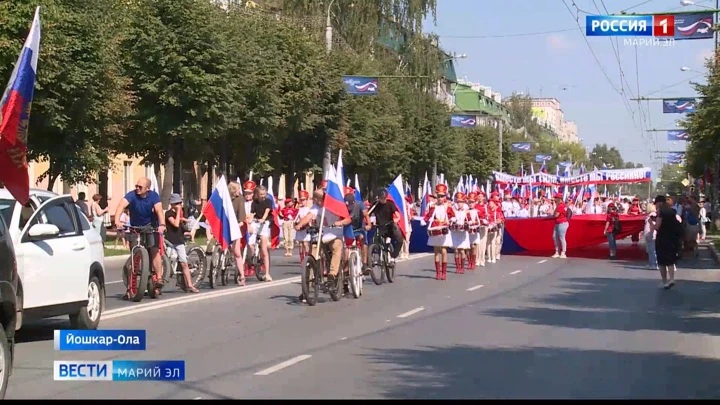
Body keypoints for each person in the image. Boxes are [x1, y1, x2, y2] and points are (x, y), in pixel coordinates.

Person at [295, 189, 351, 300]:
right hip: (322, 234)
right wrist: (300, 224)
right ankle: (307, 288)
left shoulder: (334, 205)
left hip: (335, 234)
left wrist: (340, 222)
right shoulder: (316, 207)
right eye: (317, 200)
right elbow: (308, 217)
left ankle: (332, 274)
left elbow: (348, 219)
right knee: (312, 254)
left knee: (337, 248)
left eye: (320, 199)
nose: (318, 202)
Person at [114, 177, 166, 297]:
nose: (137, 188)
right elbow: (121, 206)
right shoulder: (132, 195)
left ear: (147, 189)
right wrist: (117, 221)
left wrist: (162, 224)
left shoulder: (153, 196)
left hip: (151, 227)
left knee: (154, 251)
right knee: (134, 256)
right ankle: (130, 288)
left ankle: (158, 277)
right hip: (135, 228)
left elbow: (159, 210)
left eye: (140, 187)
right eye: (136, 186)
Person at [165, 194, 200, 293]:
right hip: (170, 242)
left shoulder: (179, 214)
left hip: (179, 241)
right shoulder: (168, 214)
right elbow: (175, 224)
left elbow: (180, 227)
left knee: (184, 262)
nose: (179, 205)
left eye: (180, 203)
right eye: (177, 203)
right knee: (167, 261)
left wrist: (187, 231)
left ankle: (189, 284)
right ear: (172, 204)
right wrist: (178, 213)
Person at [423, 184, 454, 280]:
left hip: (444, 228)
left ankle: (444, 272)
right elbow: (429, 215)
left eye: (442, 196)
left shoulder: (447, 206)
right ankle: (438, 272)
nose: (440, 198)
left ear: (445, 196)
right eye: (438, 196)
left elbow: (452, 214)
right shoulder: (433, 206)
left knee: (444, 250)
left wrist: (452, 219)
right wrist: (424, 220)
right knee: (436, 251)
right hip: (435, 228)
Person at [653, 195, 682, 289]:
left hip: (662, 238)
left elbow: (657, 226)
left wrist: (651, 223)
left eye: (656, 203)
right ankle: (672, 279)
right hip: (672, 238)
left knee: (662, 261)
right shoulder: (672, 211)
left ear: (660, 203)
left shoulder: (660, 213)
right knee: (670, 260)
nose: (656, 205)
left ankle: (664, 281)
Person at [368, 188, 403, 266]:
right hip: (379, 226)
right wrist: (371, 221)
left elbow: (397, 214)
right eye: (381, 198)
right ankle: (372, 258)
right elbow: (369, 214)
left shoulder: (390, 204)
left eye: (384, 198)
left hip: (389, 225)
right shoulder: (375, 205)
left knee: (399, 240)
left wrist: (396, 219)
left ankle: (393, 257)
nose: (382, 200)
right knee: (373, 240)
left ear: (386, 197)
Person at [344, 188, 372, 271]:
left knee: (363, 238)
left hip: (360, 227)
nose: (349, 208)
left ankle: (364, 264)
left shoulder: (360, 204)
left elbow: (366, 215)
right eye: (347, 206)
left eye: (350, 206)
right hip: (348, 229)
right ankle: (345, 270)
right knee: (345, 247)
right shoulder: (342, 207)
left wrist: (369, 225)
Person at [250, 185, 274, 282]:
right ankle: (251, 255)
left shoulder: (268, 201)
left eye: (264, 194)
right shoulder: (254, 203)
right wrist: (250, 220)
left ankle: (267, 273)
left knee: (264, 249)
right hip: (256, 222)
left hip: (264, 223)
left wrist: (263, 219)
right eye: (261, 194)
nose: (263, 196)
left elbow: (267, 211)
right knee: (250, 242)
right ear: (257, 195)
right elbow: (252, 213)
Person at [228, 181, 247, 286]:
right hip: (226, 224)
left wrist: (240, 222)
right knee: (221, 245)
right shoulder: (225, 197)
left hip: (235, 225)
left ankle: (242, 276)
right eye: (238, 189)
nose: (239, 191)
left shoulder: (239, 198)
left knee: (237, 252)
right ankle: (217, 265)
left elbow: (241, 212)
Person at [450, 192, 470, 274]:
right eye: (458, 202)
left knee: (462, 250)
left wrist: (466, 223)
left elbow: (469, 220)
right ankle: (457, 267)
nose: (459, 204)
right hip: (455, 232)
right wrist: (452, 220)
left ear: (463, 202)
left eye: (461, 202)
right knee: (456, 250)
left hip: (463, 232)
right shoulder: (453, 210)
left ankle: (462, 267)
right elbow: (450, 218)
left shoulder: (466, 211)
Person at [294, 189, 312, 264]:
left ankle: (307, 258)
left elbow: (309, 218)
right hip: (300, 228)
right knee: (300, 244)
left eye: (304, 200)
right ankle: (302, 258)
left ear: (307, 200)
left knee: (305, 243)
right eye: (301, 200)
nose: (302, 201)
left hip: (306, 228)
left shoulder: (309, 209)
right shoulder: (299, 209)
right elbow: (296, 218)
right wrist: (296, 223)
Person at [551, 194, 569, 259]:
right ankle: (557, 252)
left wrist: (551, 213)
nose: (555, 199)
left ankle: (563, 252)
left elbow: (556, 215)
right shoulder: (560, 205)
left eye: (556, 198)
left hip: (562, 223)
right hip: (558, 223)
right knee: (554, 236)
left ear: (559, 199)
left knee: (562, 237)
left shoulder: (561, 206)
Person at [644, 203, 658, 270]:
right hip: (650, 233)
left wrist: (650, 234)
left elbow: (652, 225)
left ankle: (654, 264)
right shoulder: (651, 215)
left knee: (652, 250)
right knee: (650, 250)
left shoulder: (653, 215)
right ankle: (651, 263)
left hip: (651, 234)